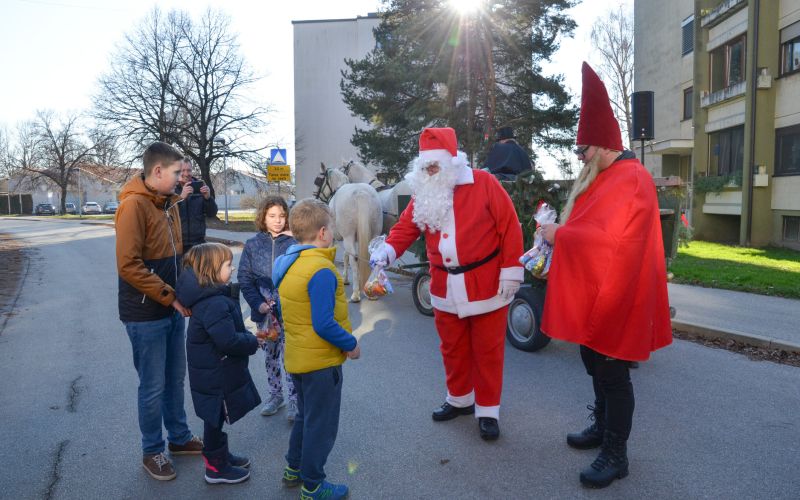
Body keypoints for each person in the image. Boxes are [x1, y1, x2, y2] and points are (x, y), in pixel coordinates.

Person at [538, 62, 672, 489]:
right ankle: (601, 429)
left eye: (583, 151)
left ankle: (617, 453)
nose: (580, 159)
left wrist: (560, 233)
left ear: (603, 147)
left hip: (620, 296)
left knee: (613, 375)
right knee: (592, 361)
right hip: (600, 293)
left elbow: (606, 238)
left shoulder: (630, 178)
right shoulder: (609, 174)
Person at [370, 127, 523, 441]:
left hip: (485, 284)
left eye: (435, 165)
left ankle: (488, 410)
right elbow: (405, 228)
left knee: (487, 351)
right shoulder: (423, 193)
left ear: (452, 161)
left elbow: (510, 226)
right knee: (452, 348)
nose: (430, 171)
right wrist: (386, 251)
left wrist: (511, 271)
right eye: (425, 166)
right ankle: (460, 399)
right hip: (443, 285)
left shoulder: (485, 183)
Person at [115, 141, 202, 481]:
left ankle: (178, 439)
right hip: (144, 314)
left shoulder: (169, 204)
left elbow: (176, 258)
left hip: (170, 307)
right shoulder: (134, 206)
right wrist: (169, 296)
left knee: (174, 379)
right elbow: (129, 265)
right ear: (157, 172)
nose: (182, 178)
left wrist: (189, 289)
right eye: (178, 172)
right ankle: (153, 450)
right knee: (152, 386)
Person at [271, 198, 360, 500]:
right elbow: (323, 323)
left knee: (306, 417)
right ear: (322, 232)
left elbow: (285, 314)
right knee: (321, 426)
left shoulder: (288, 263)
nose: (334, 234)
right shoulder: (321, 270)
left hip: (297, 357)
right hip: (321, 363)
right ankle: (313, 485)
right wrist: (351, 344)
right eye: (332, 229)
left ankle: (293, 468)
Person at [176, 243, 261, 484]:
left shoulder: (212, 297)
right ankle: (215, 467)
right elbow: (228, 341)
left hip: (214, 371)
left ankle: (219, 456)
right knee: (214, 419)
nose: (232, 268)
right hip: (216, 374)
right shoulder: (213, 304)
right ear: (210, 271)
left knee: (216, 418)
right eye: (227, 265)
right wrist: (253, 342)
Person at [237, 196, 298, 420]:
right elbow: (244, 278)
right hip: (264, 314)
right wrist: (259, 304)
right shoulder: (253, 244)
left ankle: (294, 400)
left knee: (289, 356)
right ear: (263, 216)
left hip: (288, 311)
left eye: (282, 216)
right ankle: (275, 395)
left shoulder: (294, 243)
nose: (278, 220)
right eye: (272, 216)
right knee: (270, 356)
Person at [175, 157, 218, 252]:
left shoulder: (200, 186)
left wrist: (208, 198)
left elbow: (212, 214)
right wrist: (180, 198)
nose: (186, 174)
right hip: (178, 244)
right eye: (183, 170)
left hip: (198, 244)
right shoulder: (171, 189)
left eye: (189, 170)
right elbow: (167, 214)